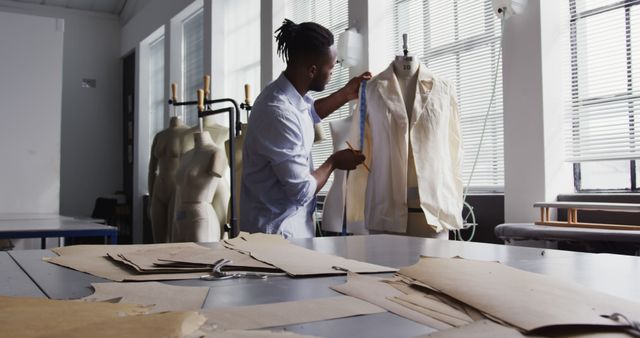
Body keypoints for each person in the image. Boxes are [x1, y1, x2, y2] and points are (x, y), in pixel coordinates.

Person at [240, 19, 370, 238]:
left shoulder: (287, 95)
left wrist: (347, 93)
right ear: (312, 70)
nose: (333, 73)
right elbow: (302, 191)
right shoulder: (277, 112)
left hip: (293, 229)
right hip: (275, 235)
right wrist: (334, 162)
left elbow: (309, 113)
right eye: (331, 67)